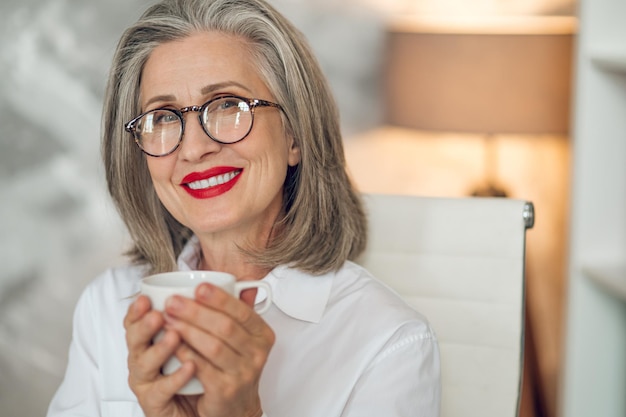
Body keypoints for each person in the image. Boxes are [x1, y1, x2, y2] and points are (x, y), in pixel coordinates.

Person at [47, 0, 440, 416]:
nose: (195, 148)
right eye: (162, 117)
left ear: (294, 135)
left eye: (228, 106)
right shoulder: (108, 305)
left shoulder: (390, 342)